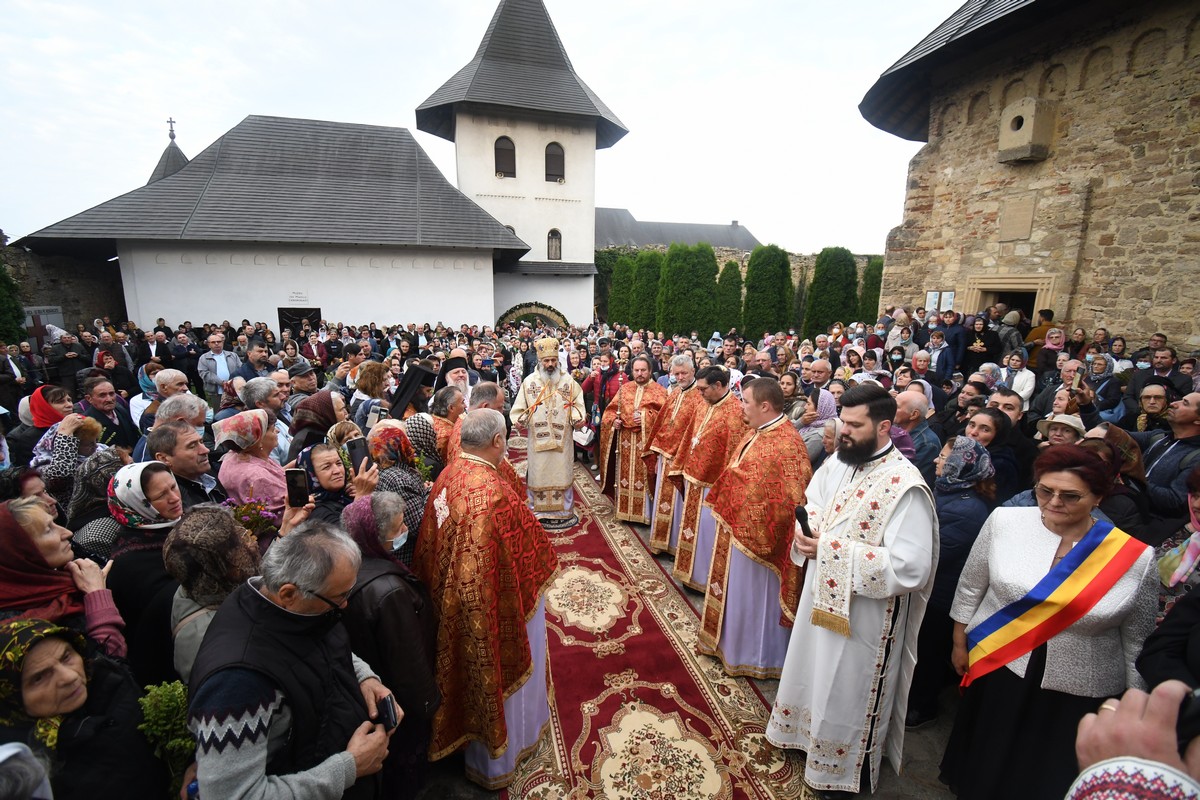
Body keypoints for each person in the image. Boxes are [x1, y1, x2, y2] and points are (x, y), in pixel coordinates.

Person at [940, 446, 1157, 800]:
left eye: (1070, 496)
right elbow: (970, 586)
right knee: (986, 758)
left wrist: (1132, 706)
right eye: (1045, 491)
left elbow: (1137, 641)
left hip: (1078, 690)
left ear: (1098, 497)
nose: (1054, 502)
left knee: (1041, 775)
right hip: (1001, 666)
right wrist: (958, 641)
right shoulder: (1004, 522)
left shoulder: (1135, 559)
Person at [767, 384, 937, 795]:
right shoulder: (841, 461)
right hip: (820, 596)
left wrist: (830, 548)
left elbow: (910, 568)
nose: (842, 430)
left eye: (853, 424)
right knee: (812, 664)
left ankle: (842, 764)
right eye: (841, 419)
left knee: (844, 683)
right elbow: (814, 499)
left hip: (865, 616)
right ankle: (802, 735)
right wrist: (811, 531)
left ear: (883, 427)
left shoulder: (905, 486)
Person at [187, 522, 398, 800]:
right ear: (288, 593)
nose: (345, 604)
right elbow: (234, 795)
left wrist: (365, 677)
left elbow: (321, 641)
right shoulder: (237, 682)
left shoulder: (288, 606)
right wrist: (349, 768)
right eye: (340, 596)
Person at [412, 409, 559, 788]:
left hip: (451, 599)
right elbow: (532, 554)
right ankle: (504, 753)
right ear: (498, 442)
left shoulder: (450, 472)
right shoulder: (492, 495)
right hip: (490, 605)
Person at [698, 376, 812, 678]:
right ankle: (729, 646)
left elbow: (789, 499)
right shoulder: (757, 432)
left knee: (753, 600)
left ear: (764, 405)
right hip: (737, 531)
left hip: (760, 544)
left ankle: (756, 658)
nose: (740, 408)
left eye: (745, 402)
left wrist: (743, 501)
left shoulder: (788, 444)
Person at [0, 619, 168, 800]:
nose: (70, 677)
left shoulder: (112, 682)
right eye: (40, 677)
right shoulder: (17, 776)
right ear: (10, 697)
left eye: (66, 657)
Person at [341, 494, 440, 799]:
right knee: (405, 767)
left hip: (372, 681)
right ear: (375, 536)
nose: (405, 531)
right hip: (399, 698)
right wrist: (428, 705)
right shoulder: (389, 591)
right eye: (398, 529)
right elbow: (407, 659)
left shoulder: (349, 563)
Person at [906, 437, 995, 730]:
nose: (936, 461)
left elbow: (935, 554)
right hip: (931, 589)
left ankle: (923, 707)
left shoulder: (968, 509)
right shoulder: (949, 491)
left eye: (943, 458)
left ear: (960, 464)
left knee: (928, 653)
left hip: (941, 596)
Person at [0, 496, 125, 659]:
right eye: (48, 530)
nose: (67, 533)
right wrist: (97, 596)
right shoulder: (16, 629)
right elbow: (108, 664)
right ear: (20, 552)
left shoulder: (61, 582)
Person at [667, 366, 749, 591]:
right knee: (691, 531)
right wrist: (681, 465)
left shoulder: (735, 413)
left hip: (712, 487)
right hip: (693, 479)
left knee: (706, 535)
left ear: (719, 386)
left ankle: (703, 580)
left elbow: (733, 455)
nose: (699, 393)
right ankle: (688, 572)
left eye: (704, 389)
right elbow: (690, 437)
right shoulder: (704, 405)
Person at [105, 461, 184, 687]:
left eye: (173, 486)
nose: (174, 497)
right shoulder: (129, 562)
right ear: (137, 505)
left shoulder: (177, 525)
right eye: (161, 495)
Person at [162, 504, 261, 683]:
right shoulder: (204, 639)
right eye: (238, 545)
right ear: (217, 565)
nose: (251, 544)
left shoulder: (201, 584)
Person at [509, 337, 586, 528]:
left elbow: (577, 405)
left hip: (563, 441)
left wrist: (578, 417)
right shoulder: (529, 383)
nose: (550, 364)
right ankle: (539, 511)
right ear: (540, 361)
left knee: (562, 472)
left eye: (553, 360)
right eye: (546, 361)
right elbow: (519, 409)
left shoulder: (568, 382)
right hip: (538, 441)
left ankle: (563, 512)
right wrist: (519, 419)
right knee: (538, 473)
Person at [644, 354, 705, 555]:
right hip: (665, 455)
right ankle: (660, 542)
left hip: (683, 458)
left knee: (679, 504)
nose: (680, 377)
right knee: (663, 498)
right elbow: (663, 421)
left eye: (684, 373)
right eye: (676, 373)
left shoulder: (700, 397)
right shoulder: (675, 392)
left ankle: (676, 546)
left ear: (693, 371)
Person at [597, 354, 667, 524]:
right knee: (624, 477)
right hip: (625, 443)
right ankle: (624, 512)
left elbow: (665, 418)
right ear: (632, 371)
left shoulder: (660, 391)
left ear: (650, 371)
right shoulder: (625, 388)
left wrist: (644, 417)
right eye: (636, 370)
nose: (640, 373)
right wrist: (615, 421)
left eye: (643, 370)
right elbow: (610, 411)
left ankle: (646, 515)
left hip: (646, 444)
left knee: (645, 478)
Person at [368, 421, 429, 566]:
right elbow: (417, 525)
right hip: (406, 556)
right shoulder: (399, 478)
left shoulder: (376, 470)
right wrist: (428, 493)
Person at [214, 409, 287, 514]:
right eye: (272, 429)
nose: (277, 431)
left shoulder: (237, 454)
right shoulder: (256, 477)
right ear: (259, 439)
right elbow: (285, 512)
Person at [298, 442, 378, 525]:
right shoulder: (313, 510)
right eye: (326, 467)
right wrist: (362, 496)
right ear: (310, 474)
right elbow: (348, 535)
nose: (337, 471)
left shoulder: (347, 495)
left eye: (339, 463)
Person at [287, 389, 348, 463]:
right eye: (341, 410)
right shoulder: (309, 439)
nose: (346, 413)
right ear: (328, 413)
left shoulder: (326, 430)